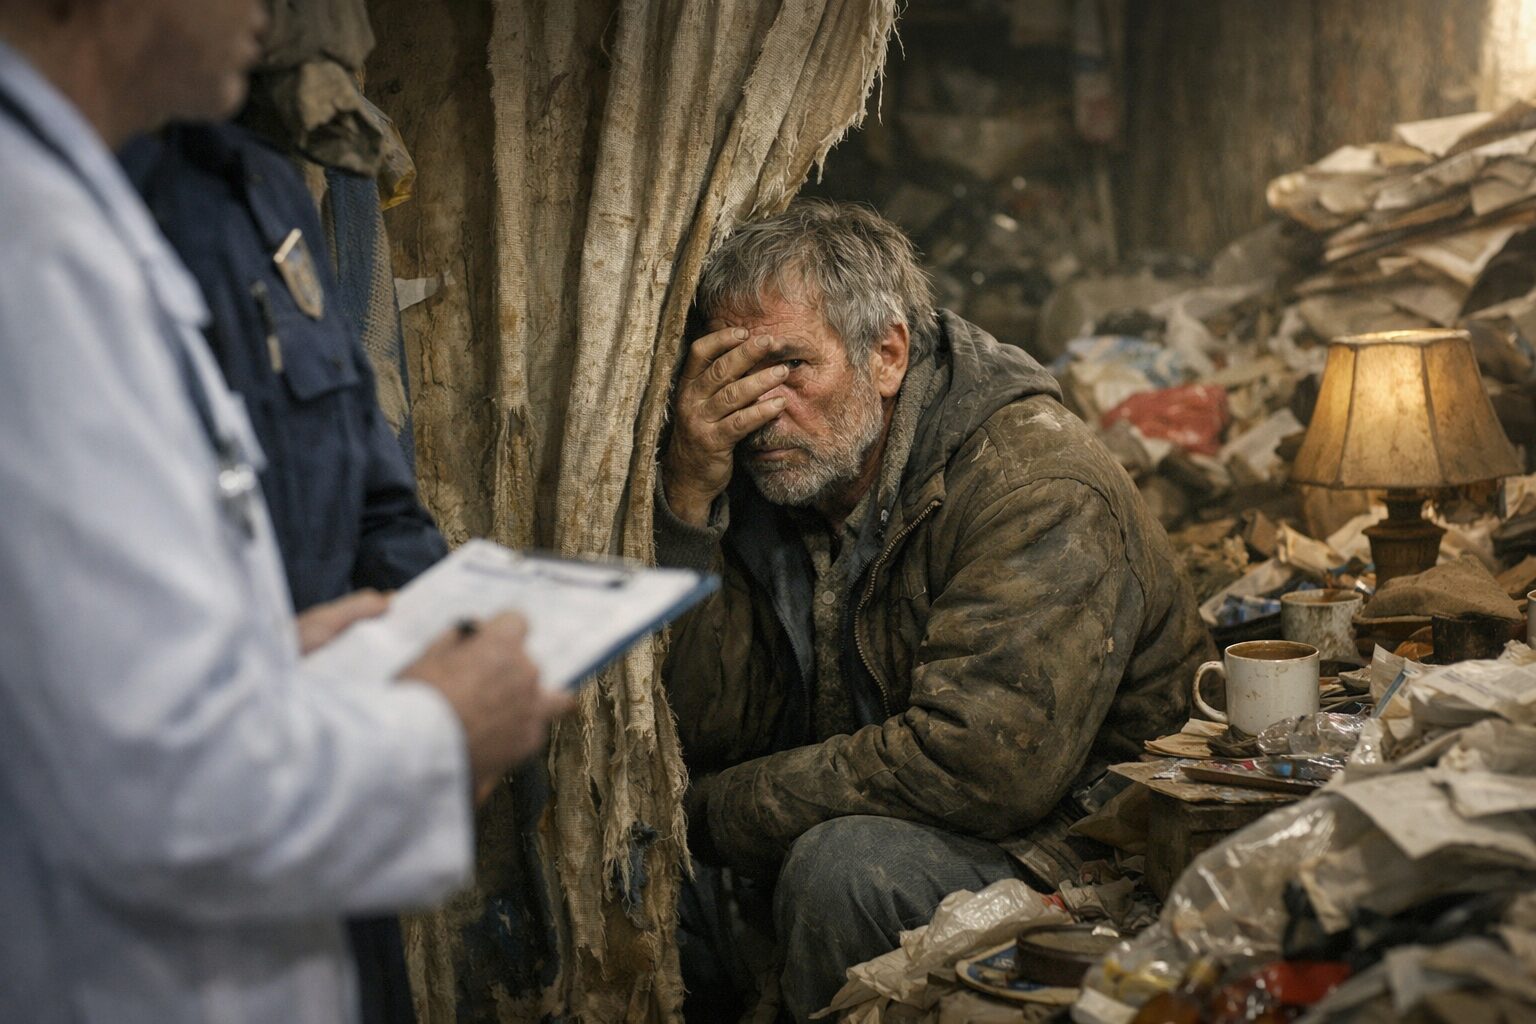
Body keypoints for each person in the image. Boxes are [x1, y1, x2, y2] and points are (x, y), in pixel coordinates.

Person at [0, 3, 570, 1022]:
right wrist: (438, 729)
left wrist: (424, 633)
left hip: (313, 794)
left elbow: (357, 471)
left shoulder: (253, 193)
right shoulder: (34, 258)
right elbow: (166, 784)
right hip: (179, 914)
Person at [656, 199, 1211, 1020]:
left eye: (792, 367)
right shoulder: (783, 469)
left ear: (886, 356)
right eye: (737, 374)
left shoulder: (1034, 482)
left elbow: (979, 768)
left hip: (1083, 845)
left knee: (841, 872)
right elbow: (710, 720)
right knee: (662, 887)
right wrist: (691, 496)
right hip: (918, 808)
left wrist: (710, 811)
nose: (763, 409)